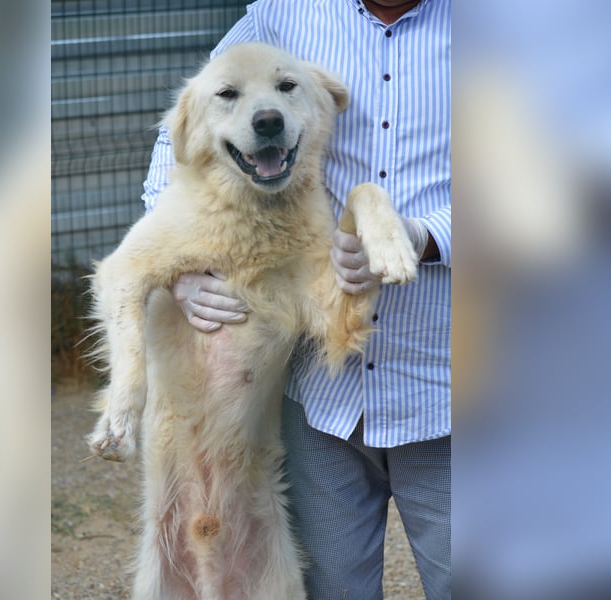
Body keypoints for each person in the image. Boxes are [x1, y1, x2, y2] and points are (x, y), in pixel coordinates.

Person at [141, 1, 450, 598]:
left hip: (446, 385)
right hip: (318, 397)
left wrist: (426, 234)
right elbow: (183, 128)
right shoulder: (281, 15)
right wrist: (177, 266)